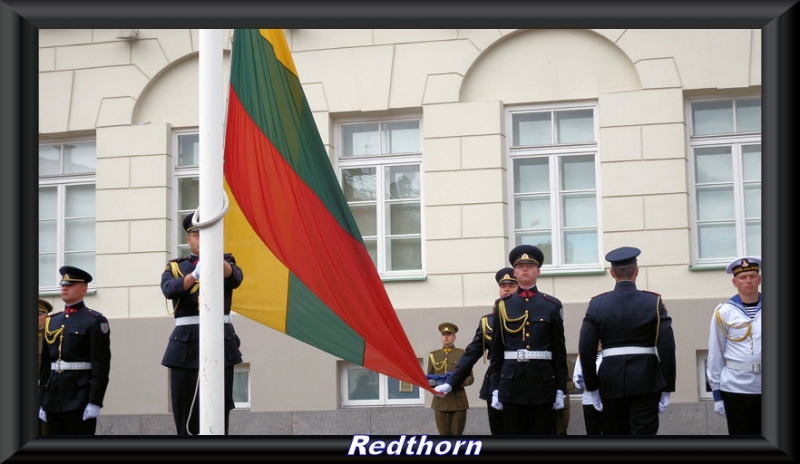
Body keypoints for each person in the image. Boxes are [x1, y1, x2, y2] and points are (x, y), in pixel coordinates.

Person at [578, 246, 676, 435]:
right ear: (637, 272)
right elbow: (667, 346)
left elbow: (586, 347)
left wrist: (592, 386)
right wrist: (668, 385)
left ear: (612, 273)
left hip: (610, 379)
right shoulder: (653, 302)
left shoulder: (597, 304)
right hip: (646, 379)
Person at [161, 213, 244, 435]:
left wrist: (214, 256)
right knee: (185, 408)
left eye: (208, 235)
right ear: (188, 239)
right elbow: (169, 289)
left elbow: (235, 278)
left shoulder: (225, 261)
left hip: (220, 341)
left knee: (219, 405)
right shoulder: (175, 267)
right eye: (197, 235)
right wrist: (194, 275)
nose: (202, 239)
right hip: (185, 346)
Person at [487, 245, 568, 435]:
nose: (525, 269)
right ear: (514, 271)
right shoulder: (503, 306)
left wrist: (560, 388)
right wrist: (495, 387)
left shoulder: (552, 305)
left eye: (530, 265)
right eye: (521, 265)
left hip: (543, 382)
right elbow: (497, 350)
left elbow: (559, 350)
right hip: (511, 383)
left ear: (538, 271)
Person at [434, 267, 518, 435]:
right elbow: (471, 354)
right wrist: (451, 383)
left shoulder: (530, 314)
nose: (506, 289)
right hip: (496, 382)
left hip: (523, 382)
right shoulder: (488, 321)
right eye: (503, 285)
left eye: (511, 285)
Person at [38, 266, 111, 435]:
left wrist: (95, 401)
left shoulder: (94, 320)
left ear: (83, 289)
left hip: (79, 396)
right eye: (63, 284)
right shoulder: (52, 321)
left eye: (70, 285)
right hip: (53, 397)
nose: (64, 288)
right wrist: (42, 401)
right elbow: (45, 367)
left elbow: (101, 365)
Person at [706, 256, 762, 435]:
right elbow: (715, 353)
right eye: (743, 277)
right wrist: (716, 394)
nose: (749, 280)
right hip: (736, 389)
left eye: (753, 276)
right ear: (734, 282)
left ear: (759, 279)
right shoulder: (724, 312)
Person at [427, 322, 474, 435]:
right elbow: (429, 378)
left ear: (454, 337)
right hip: (440, 402)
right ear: (441, 337)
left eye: (449, 334)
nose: (446, 336)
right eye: (444, 334)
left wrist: (453, 384)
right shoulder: (434, 355)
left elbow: (470, 378)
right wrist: (435, 385)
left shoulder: (462, 354)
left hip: (458, 401)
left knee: (457, 435)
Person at [573, 341, 607, 435]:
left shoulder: (608, 353)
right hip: (589, 401)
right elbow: (576, 379)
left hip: (607, 400)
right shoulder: (584, 355)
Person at [37, 298, 53, 435]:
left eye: (38, 314)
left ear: (47, 316)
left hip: (46, 392)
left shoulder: (52, 337)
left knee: (45, 430)